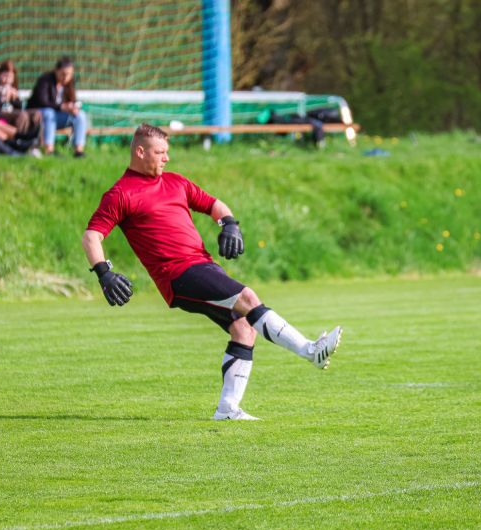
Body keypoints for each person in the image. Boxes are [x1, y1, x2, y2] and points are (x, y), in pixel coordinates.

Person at [82, 123, 342, 421]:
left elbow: (214, 204)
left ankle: (228, 410)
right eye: (160, 152)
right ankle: (311, 351)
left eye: (167, 152)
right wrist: (104, 273)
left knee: (243, 328)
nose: (166, 158)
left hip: (201, 266)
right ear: (140, 152)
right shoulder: (120, 193)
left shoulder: (176, 182)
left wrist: (229, 223)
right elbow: (91, 236)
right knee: (247, 297)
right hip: (178, 274)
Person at [27, 56, 87, 157]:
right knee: (50, 113)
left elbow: (72, 100)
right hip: (38, 116)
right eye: (63, 74)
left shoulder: (69, 83)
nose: (66, 77)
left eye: (69, 74)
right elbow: (42, 102)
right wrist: (62, 107)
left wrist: (72, 107)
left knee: (80, 115)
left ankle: (78, 151)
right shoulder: (45, 80)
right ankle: (49, 150)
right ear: (56, 71)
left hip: (57, 117)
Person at [0, 60, 41, 147]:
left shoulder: (12, 88)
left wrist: (15, 98)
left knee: (37, 114)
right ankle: (17, 143)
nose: (7, 78)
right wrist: (2, 98)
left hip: (12, 112)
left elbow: (19, 107)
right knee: (22, 115)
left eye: (10, 76)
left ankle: (37, 144)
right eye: (5, 75)